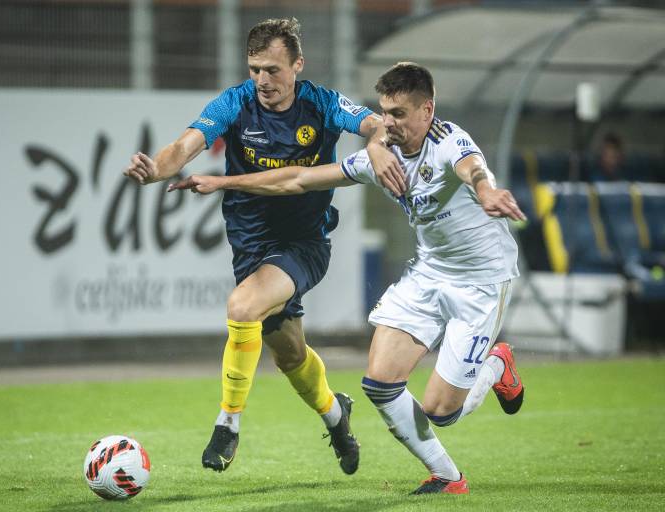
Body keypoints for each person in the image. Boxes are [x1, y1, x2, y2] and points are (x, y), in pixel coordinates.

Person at [169, 62, 528, 495]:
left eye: (398, 114)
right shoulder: (383, 157)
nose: (387, 124)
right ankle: (448, 477)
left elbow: (474, 169)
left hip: (481, 281)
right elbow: (298, 179)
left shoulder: (449, 141)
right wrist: (223, 182)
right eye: (384, 112)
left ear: (427, 110)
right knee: (380, 384)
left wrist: (487, 191)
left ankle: (496, 367)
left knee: (440, 411)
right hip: (430, 273)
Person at [124, 18, 404, 475]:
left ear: (297, 65)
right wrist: (155, 169)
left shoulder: (323, 103)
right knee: (290, 355)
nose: (262, 80)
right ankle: (336, 415)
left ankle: (227, 424)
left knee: (242, 306)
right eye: (254, 69)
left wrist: (376, 143)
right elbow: (184, 146)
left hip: (304, 244)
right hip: (251, 247)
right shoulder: (235, 103)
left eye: (272, 69)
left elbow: (376, 124)